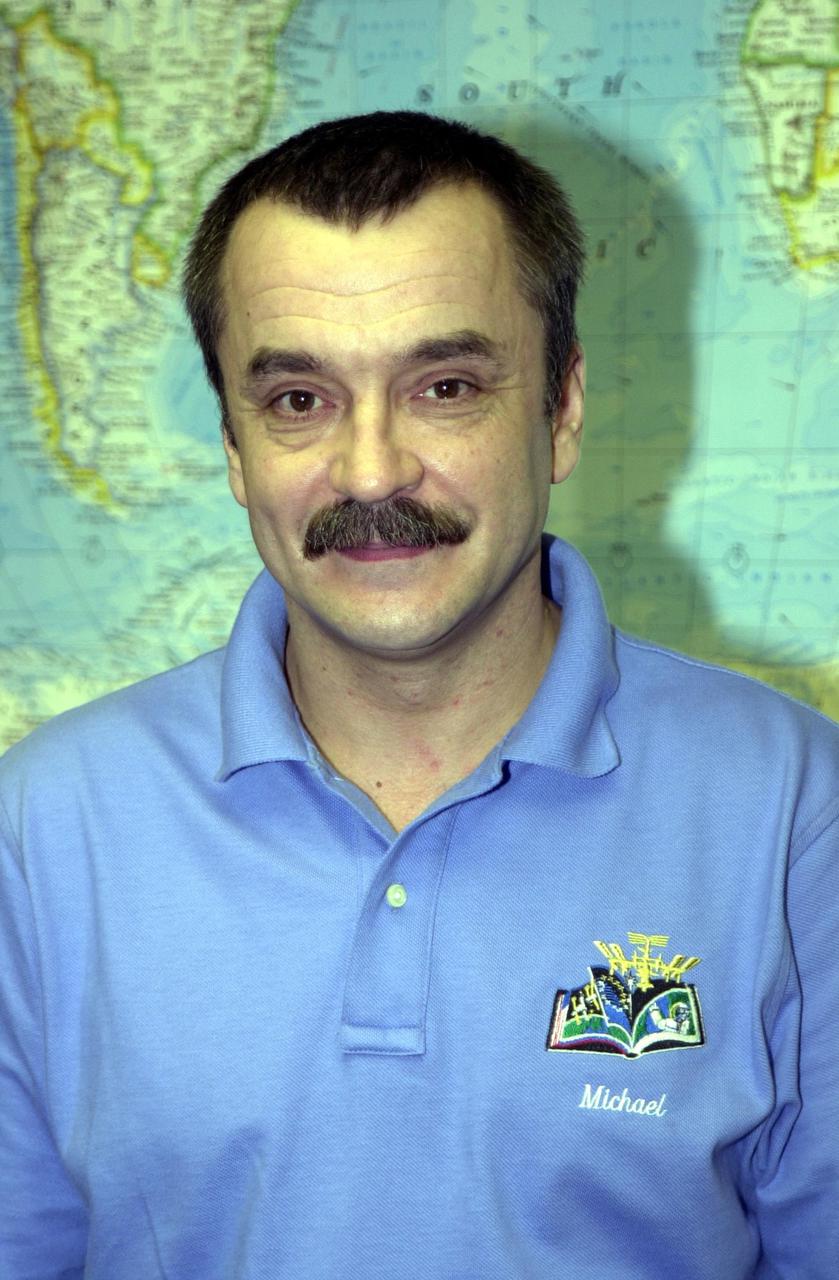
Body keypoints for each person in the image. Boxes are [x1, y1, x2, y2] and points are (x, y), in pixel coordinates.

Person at [1, 110, 837, 1279]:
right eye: (298, 400)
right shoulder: (43, 826)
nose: (371, 470)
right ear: (235, 446)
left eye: (444, 384)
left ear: (561, 407)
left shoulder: (794, 805)